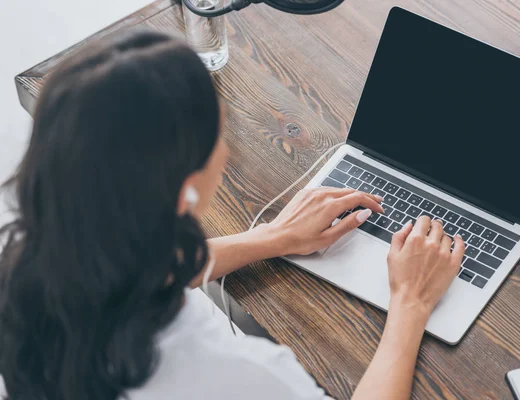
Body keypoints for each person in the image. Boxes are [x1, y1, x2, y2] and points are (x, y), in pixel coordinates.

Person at [0, 30, 465, 400]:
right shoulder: (244, 376)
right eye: (217, 129)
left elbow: (130, 268)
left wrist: (273, 237)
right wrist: (411, 303)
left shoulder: (26, 266)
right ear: (185, 188)